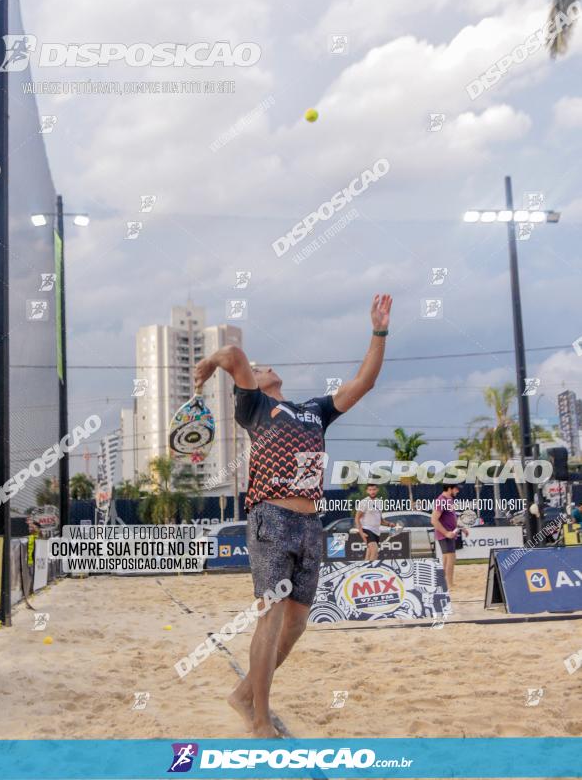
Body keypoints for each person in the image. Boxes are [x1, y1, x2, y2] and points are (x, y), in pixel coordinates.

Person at [194, 293, 392, 737]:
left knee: (298, 622)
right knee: (270, 612)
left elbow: (365, 382)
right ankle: (260, 717)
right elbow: (234, 355)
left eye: (264, 367)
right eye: (259, 369)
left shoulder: (312, 411)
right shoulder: (255, 408)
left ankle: (246, 691)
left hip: (310, 523)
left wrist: (378, 330)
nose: (264, 368)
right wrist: (210, 363)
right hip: (271, 517)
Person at [430, 483, 468, 590]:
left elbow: (452, 517)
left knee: (447, 558)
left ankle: (445, 582)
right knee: (451, 558)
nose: (458, 491)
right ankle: (449, 584)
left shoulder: (449, 500)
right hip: (445, 534)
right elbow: (433, 520)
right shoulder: (441, 500)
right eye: (456, 489)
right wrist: (446, 533)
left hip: (449, 534)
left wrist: (462, 528)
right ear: (450, 488)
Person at [355, 483, 396, 560]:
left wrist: (389, 524)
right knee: (374, 551)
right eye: (370, 490)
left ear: (377, 490)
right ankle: (370, 570)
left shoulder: (379, 502)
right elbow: (357, 518)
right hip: (366, 529)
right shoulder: (364, 502)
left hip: (376, 532)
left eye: (374, 489)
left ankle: (364, 570)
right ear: (367, 491)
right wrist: (361, 532)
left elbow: (380, 520)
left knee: (369, 553)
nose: (372, 491)